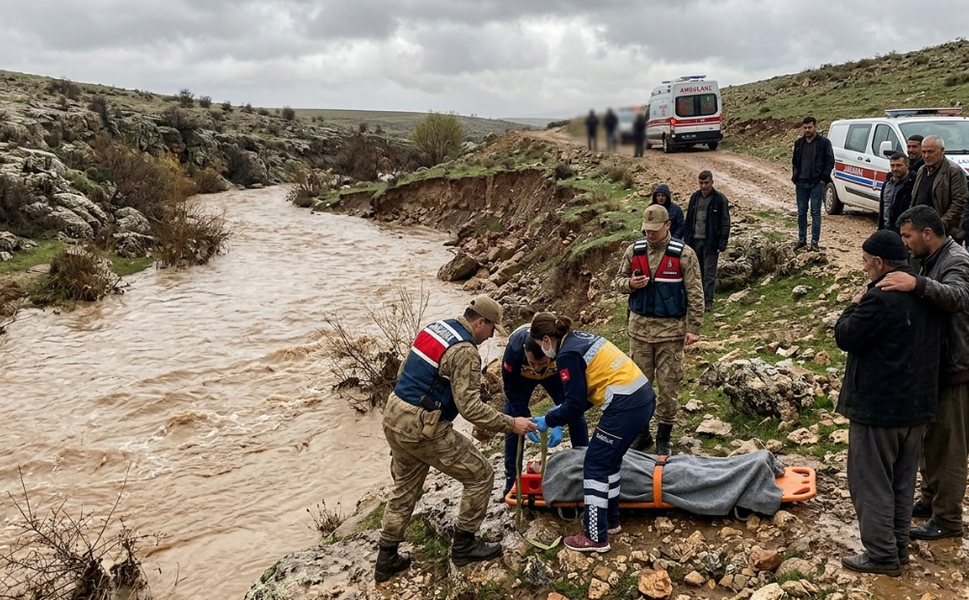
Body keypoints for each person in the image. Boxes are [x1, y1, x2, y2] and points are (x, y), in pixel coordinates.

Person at [375, 295, 537, 582]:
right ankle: (464, 545)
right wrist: (512, 424)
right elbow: (470, 407)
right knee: (481, 474)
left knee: (404, 488)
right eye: (491, 331)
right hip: (423, 427)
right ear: (480, 322)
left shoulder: (435, 328)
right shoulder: (465, 351)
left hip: (394, 415)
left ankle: (386, 558)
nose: (489, 338)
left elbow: (405, 372)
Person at [835, 230, 945, 576]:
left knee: (871, 482)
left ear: (880, 263)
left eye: (867, 264)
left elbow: (846, 335)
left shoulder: (879, 296)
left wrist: (853, 304)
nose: (865, 269)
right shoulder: (925, 291)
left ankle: (882, 555)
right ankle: (897, 547)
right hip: (917, 408)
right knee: (901, 481)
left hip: (878, 409)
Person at [878, 205, 969, 541]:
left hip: (957, 369)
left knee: (950, 447)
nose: (904, 243)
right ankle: (931, 501)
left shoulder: (956, 260)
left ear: (927, 234)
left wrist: (916, 283)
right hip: (937, 367)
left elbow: (958, 297)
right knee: (931, 441)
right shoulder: (932, 259)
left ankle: (947, 518)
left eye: (907, 236)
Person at [528, 312, 655, 553]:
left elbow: (575, 403)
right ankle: (611, 520)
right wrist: (559, 412)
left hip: (625, 406)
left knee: (595, 465)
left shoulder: (566, 354)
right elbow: (585, 394)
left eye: (539, 345)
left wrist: (549, 419)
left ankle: (595, 536)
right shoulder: (580, 339)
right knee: (611, 461)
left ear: (546, 339)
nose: (541, 351)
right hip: (642, 397)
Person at [613, 204, 703, 455]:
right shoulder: (634, 251)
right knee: (638, 387)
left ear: (667, 226)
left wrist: (694, 327)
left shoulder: (684, 255)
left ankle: (664, 437)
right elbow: (618, 282)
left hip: (671, 334)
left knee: (668, 386)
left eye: (655, 230)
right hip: (639, 333)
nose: (650, 235)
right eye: (647, 230)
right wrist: (630, 283)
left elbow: (695, 293)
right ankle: (641, 435)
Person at [500, 324, 589, 496]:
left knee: (574, 414)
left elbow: (574, 399)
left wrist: (558, 420)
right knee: (513, 421)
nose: (537, 368)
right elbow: (511, 388)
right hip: (521, 379)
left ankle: (584, 468)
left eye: (541, 363)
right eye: (533, 363)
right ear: (525, 351)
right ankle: (512, 479)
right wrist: (523, 416)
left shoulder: (561, 349)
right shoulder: (514, 350)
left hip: (554, 376)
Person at [683, 170, 731, 312]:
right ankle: (697, 300)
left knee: (709, 274)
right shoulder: (694, 198)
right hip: (695, 241)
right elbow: (689, 220)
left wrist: (722, 243)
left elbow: (725, 222)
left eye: (706, 183)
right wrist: (687, 240)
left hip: (711, 242)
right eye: (701, 183)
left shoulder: (720, 199)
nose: (703, 186)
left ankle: (708, 302)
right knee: (697, 273)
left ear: (712, 182)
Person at [911, 135, 968, 245]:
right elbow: (915, 197)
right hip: (920, 229)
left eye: (930, 152)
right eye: (924, 152)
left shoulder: (953, 172)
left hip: (944, 233)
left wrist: (939, 224)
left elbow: (959, 203)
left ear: (942, 151)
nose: (926, 156)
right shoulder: (922, 170)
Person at [791, 116, 835, 252]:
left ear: (815, 127)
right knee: (801, 213)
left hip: (817, 183)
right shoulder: (799, 143)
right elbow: (795, 161)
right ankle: (802, 239)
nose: (807, 130)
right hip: (801, 183)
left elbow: (830, 161)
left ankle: (815, 242)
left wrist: (823, 178)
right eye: (805, 128)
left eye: (809, 127)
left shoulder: (824, 143)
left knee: (815, 213)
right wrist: (795, 177)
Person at [878, 152, 916, 233]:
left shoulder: (913, 184)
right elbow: (883, 209)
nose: (895, 168)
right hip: (886, 230)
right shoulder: (887, 184)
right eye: (892, 165)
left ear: (907, 165)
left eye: (899, 165)